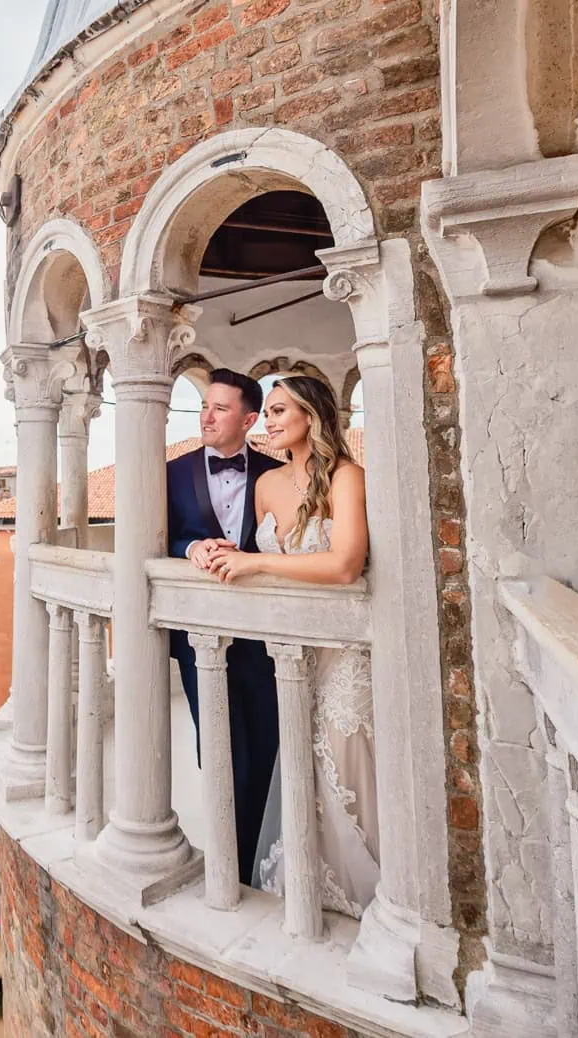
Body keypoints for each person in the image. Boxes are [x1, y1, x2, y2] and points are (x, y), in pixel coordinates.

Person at [206, 373, 377, 916]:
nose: (270, 421)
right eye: (269, 411)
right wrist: (210, 553)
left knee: (347, 770)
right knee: (301, 767)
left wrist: (255, 560)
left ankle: (369, 892)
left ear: (312, 416)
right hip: (288, 652)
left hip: (343, 654)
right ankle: (307, 882)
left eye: (280, 411)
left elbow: (346, 563)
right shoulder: (265, 486)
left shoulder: (348, 478)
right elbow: (249, 560)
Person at [166, 368, 283, 885]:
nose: (205, 416)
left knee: (266, 746)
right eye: (204, 405)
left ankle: (259, 858)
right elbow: (158, 538)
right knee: (218, 746)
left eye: (219, 408)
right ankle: (226, 865)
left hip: (266, 637)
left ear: (249, 419)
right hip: (199, 640)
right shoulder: (172, 472)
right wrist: (191, 548)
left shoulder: (277, 473)